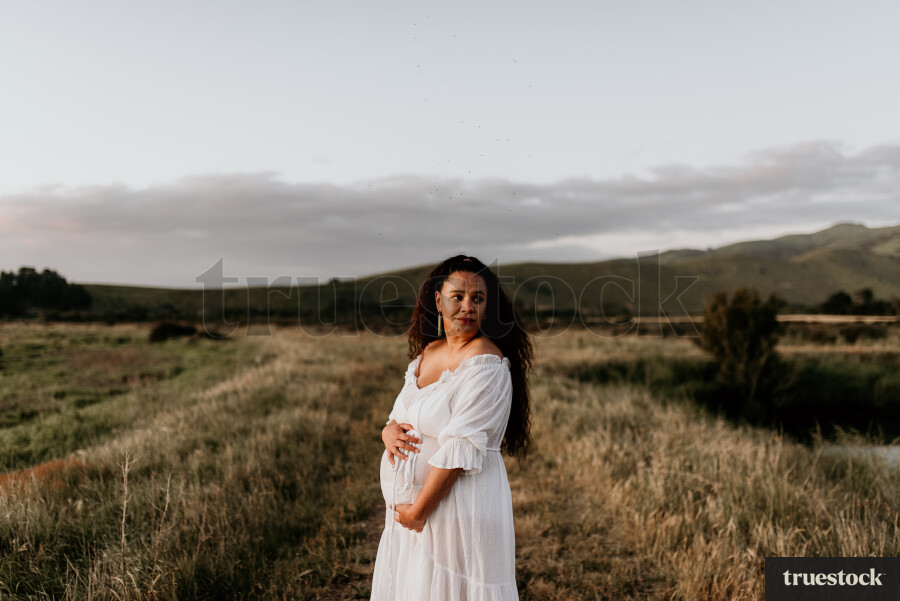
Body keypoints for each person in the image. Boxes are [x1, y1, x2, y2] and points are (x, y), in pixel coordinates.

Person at [370, 255, 532, 600]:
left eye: (478, 298)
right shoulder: (428, 352)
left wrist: (417, 512)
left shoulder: (486, 364)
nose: (467, 306)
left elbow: (461, 450)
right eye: (458, 296)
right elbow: (398, 416)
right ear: (438, 299)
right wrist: (388, 432)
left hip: (456, 508)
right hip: (417, 519)